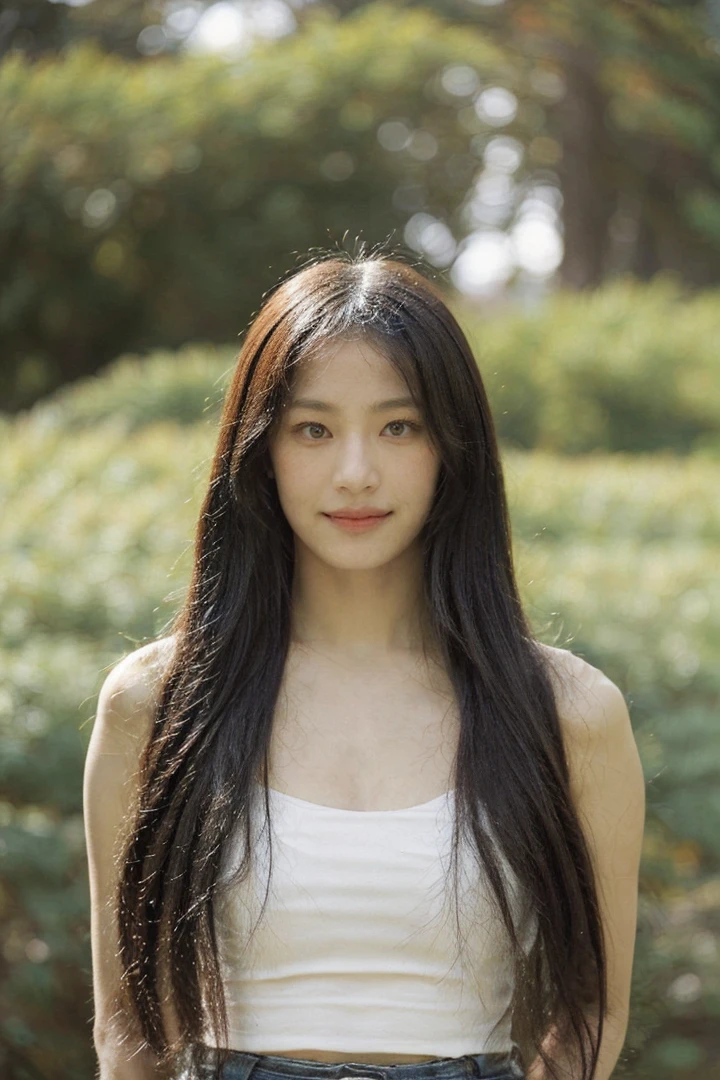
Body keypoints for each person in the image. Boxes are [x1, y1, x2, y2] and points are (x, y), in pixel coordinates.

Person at [83, 250, 646, 1080]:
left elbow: (593, 1008)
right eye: (313, 429)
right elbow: (126, 1026)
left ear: (453, 448)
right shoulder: (157, 702)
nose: (356, 473)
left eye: (399, 426)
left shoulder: (567, 713)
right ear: (260, 450)